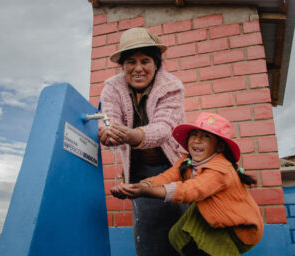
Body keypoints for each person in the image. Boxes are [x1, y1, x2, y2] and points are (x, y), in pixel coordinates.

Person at [111, 112, 264, 256]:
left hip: (238, 229)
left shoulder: (221, 169)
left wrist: (145, 192)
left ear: (219, 147)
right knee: (178, 235)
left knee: (210, 248)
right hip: (211, 216)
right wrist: (142, 185)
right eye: (194, 135)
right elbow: (167, 176)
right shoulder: (187, 161)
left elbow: (191, 190)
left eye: (205, 137)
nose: (197, 140)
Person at [98, 27, 187, 255]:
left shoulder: (171, 86)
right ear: (123, 65)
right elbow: (108, 120)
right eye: (130, 62)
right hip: (140, 172)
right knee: (148, 235)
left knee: (184, 228)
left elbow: (164, 128)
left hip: (174, 168)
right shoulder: (111, 88)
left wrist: (131, 135)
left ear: (156, 64)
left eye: (145, 61)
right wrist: (108, 134)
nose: (138, 68)